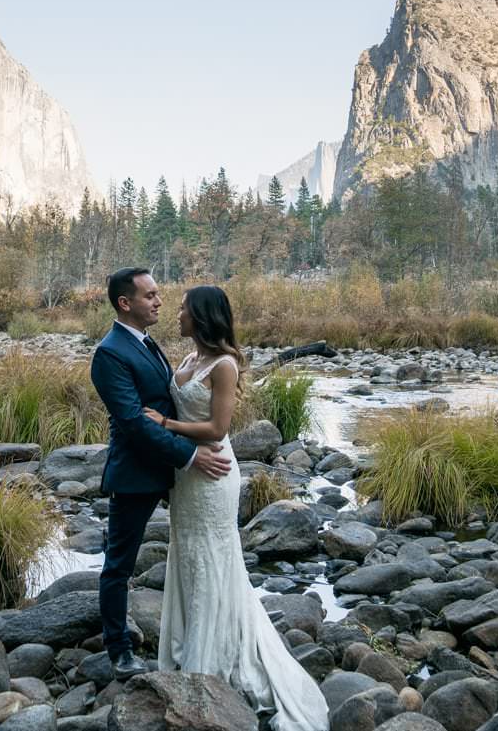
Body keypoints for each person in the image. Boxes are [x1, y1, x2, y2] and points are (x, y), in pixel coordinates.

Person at [142, 285, 329, 731]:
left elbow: (217, 425)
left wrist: (164, 423)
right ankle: (187, 641)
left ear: (202, 316)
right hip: (187, 473)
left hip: (213, 472)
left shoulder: (224, 365)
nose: (178, 312)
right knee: (185, 552)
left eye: (185, 308)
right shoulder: (187, 360)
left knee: (211, 556)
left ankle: (212, 658)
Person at [90, 268, 232, 681]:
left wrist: (185, 455)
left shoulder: (148, 343)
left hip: (176, 470)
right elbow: (134, 422)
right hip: (137, 472)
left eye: (158, 294)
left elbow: (167, 405)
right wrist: (190, 456)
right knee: (119, 565)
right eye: (150, 295)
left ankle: (211, 630)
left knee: (200, 550)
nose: (159, 302)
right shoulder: (110, 353)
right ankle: (119, 651)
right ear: (125, 303)